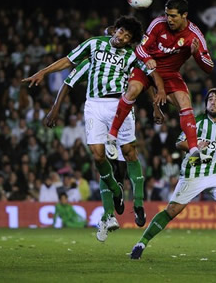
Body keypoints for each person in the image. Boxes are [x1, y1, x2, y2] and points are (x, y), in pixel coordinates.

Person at [23, 16, 166, 242]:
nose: (121, 37)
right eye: (120, 32)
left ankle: (138, 203)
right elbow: (68, 62)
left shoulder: (132, 56)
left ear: (131, 41)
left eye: (127, 36)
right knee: (98, 156)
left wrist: (156, 105)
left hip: (120, 105)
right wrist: (43, 72)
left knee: (130, 153)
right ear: (115, 30)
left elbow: (144, 79)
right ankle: (117, 194)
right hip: (94, 106)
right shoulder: (94, 44)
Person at [130, 88, 216, 261]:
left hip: (214, 173)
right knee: (171, 211)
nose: (213, 101)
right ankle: (141, 243)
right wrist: (194, 146)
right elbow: (179, 143)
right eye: (210, 98)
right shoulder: (197, 122)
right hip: (193, 171)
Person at [107, 0, 214, 167]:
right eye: (167, 15)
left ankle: (194, 151)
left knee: (185, 101)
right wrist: (148, 59)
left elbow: (209, 67)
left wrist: (196, 54)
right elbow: (140, 48)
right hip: (147, 67)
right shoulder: (158, 23)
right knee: (132, 89)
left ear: (184, 15)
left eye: (173, 16)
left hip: (170, 73)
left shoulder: (194, 35)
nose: (169, 19)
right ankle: (112, 136)